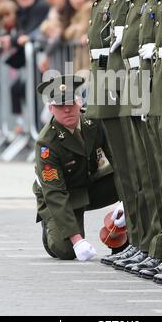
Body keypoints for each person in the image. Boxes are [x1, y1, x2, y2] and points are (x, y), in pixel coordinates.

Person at [33, 74, 121, 261]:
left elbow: (118, 161)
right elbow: (55, 193)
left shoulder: (93, 123)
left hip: (88, 182)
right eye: (60, 106)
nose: (67, 110)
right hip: (62, 194)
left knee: (123, 178)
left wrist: (126, 205)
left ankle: (127, 239)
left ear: (79, 102)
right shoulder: (47, 143)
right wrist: (77, 240)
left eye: (71, 103)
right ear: (50, 109)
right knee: (66, 250)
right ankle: (50, 223)